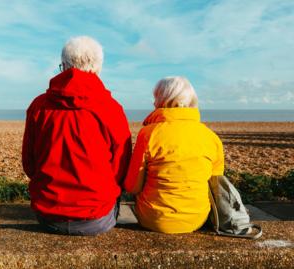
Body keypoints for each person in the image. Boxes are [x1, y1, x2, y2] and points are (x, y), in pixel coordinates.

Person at [22, 36, 132, 236]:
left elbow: (29, 165)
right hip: (97, 219)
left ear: (63, 66)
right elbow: (120, 169)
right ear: (98, 68)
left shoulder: (38, 106)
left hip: (48, 217)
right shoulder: (111, 109)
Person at [124, 76, 224, 234]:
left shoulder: (149, 134)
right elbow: (216, 185)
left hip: (154, 219)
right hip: (197, 218)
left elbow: (133, 186)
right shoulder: (210, 137)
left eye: (155, 97)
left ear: (161, 100)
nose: (153, 102)